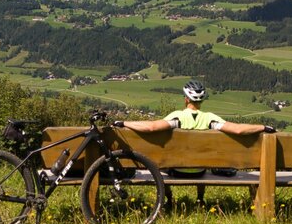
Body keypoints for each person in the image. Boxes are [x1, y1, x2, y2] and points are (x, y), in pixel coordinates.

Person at [113, 80, 275, 204]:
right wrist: (262, 126)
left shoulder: (177, 117)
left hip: (175, 169)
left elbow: (152, 127)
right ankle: (200, 198)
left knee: (163, 162)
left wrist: (123, 123)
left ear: (186, 99)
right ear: (201, 100)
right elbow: (238, 130)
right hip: (200, 170)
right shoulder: (210, 118)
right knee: (201, 158)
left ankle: (169, 199)